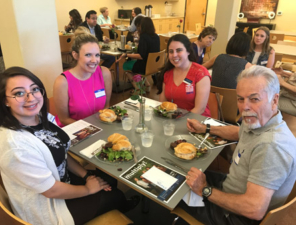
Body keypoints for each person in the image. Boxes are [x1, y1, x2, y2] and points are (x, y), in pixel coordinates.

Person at [0, 67, 139, 225]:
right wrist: (87, 189)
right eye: (19, 93)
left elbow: (61, 152)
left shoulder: (40, 117)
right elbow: (51, 190)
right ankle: (120, 206)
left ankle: (118, 204)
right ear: (5, 100)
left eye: (35, 89)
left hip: (64, 181)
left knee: (109, 180)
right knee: (113, 195)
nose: (31, 98)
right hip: (50, 205)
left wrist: (85, 175)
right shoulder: (14, 145)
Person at [177, 66, 296, 225]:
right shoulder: (261, 119)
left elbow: (254, 209)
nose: (244, 107)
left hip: (238, 216)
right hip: (232, 186)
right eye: (240, 98)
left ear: (274, 100)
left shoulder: (272, 147)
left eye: (254, 99)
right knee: (182, 174)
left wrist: (205, 189)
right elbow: (239, 132)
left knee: (173, 190)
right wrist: (205, 128)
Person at [53, 27, 112, 127]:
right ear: (75, 55)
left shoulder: (104, 73)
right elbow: (64, 119)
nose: (94, 60)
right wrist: (91, 128)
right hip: (74, 131)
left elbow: (106, 106)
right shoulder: (62, 82)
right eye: (88, 55)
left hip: (99, 127)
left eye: (97, 55)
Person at [157, 34, 211, 117]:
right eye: (171, 51)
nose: (174, 55)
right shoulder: (167, 73)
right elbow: (163, 104)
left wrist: (178, 120)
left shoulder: (200, 73)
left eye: (179, 50)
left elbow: (200, 109)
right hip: (174, 119)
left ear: (188, 51)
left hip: (197, 121)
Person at [116, 17, 159, 94]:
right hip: (154, 65)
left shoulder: (144, 37)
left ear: (142, 26)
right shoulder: (156, 36)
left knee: (126, 65)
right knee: (136, 65)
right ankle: (147, 85)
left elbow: (140, 56)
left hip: (144, 66)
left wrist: (126, 54)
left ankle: (137, 89)